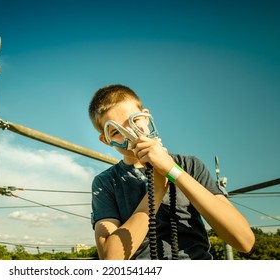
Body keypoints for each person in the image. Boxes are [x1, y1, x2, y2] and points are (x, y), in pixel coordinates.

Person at [88, 84, 255, 260]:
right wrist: (157, 189)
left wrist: (172, 171)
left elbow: (244, 241)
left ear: (146, 117)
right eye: (116, 131)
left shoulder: (190, 165)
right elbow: (110, 259)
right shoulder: (106, 182)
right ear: (106, 140)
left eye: (134, 120)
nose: (130, 133)